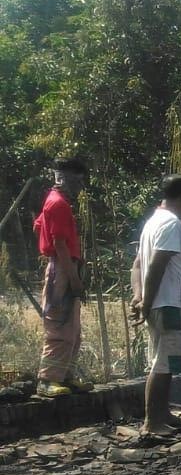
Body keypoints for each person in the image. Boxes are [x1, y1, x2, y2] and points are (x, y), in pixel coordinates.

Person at [131, 175, 181, 434]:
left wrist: (139, 297)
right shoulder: (171, 223)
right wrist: (146, 302)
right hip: (173, 305)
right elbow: (157, 264)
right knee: (163, 364)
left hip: (165, 303)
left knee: (168, 361)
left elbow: (137, 265)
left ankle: (163, 413)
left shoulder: (152, 223)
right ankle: (153, 423)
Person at [33, 156, 92, 397]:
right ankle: (47, 380)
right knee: (59, 324)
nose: (80, 187)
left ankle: (66, 375)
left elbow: (38, 226)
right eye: (77, 181)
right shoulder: (58, 204)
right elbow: (59, 244)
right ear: (66, 178)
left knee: (73, 328)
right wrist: (75, 279)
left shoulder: (54, 201)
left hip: (66, 266)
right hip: (62, 269)